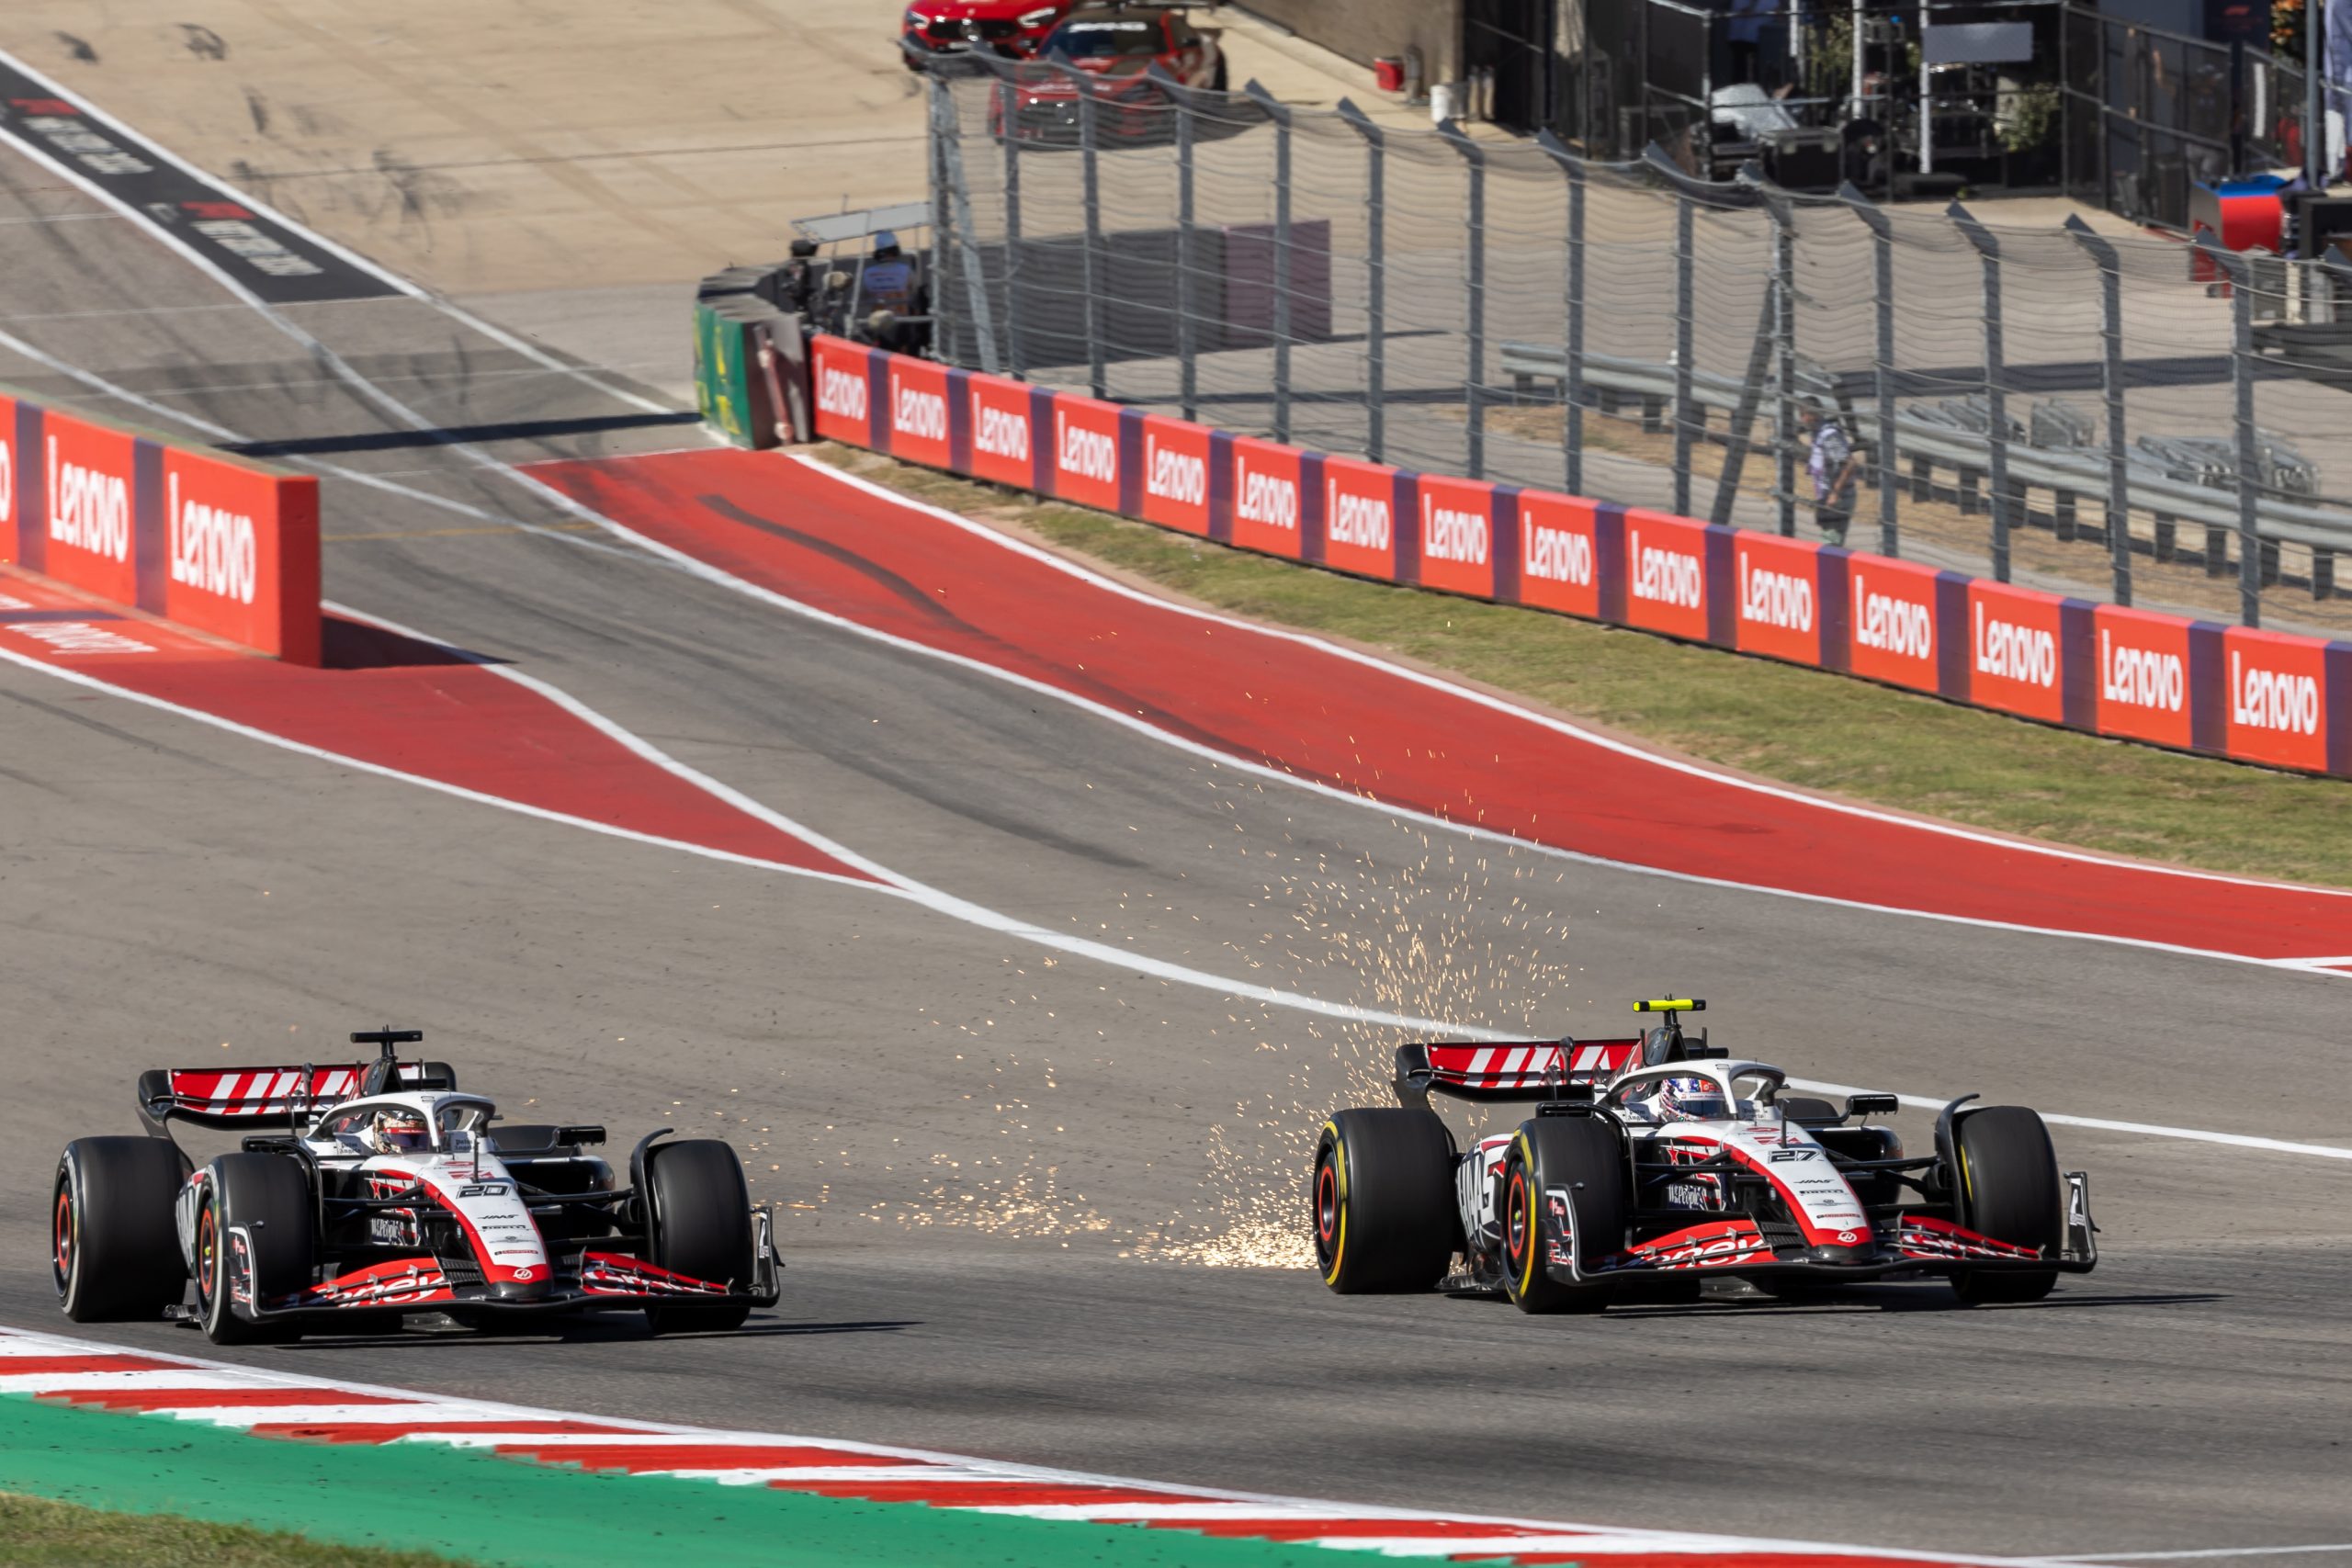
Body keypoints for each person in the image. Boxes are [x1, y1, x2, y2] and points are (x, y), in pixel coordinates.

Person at [1804, 403, 1860, 547]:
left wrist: (1835, 493)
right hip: (1828, 496)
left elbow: (1850, 463)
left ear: (1813, 415)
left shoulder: (1829, 435)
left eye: (1803, 415)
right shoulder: (1818, 434)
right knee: (1829, 539)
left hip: (1838, 497)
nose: (1802, 419)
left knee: (1830, 544)